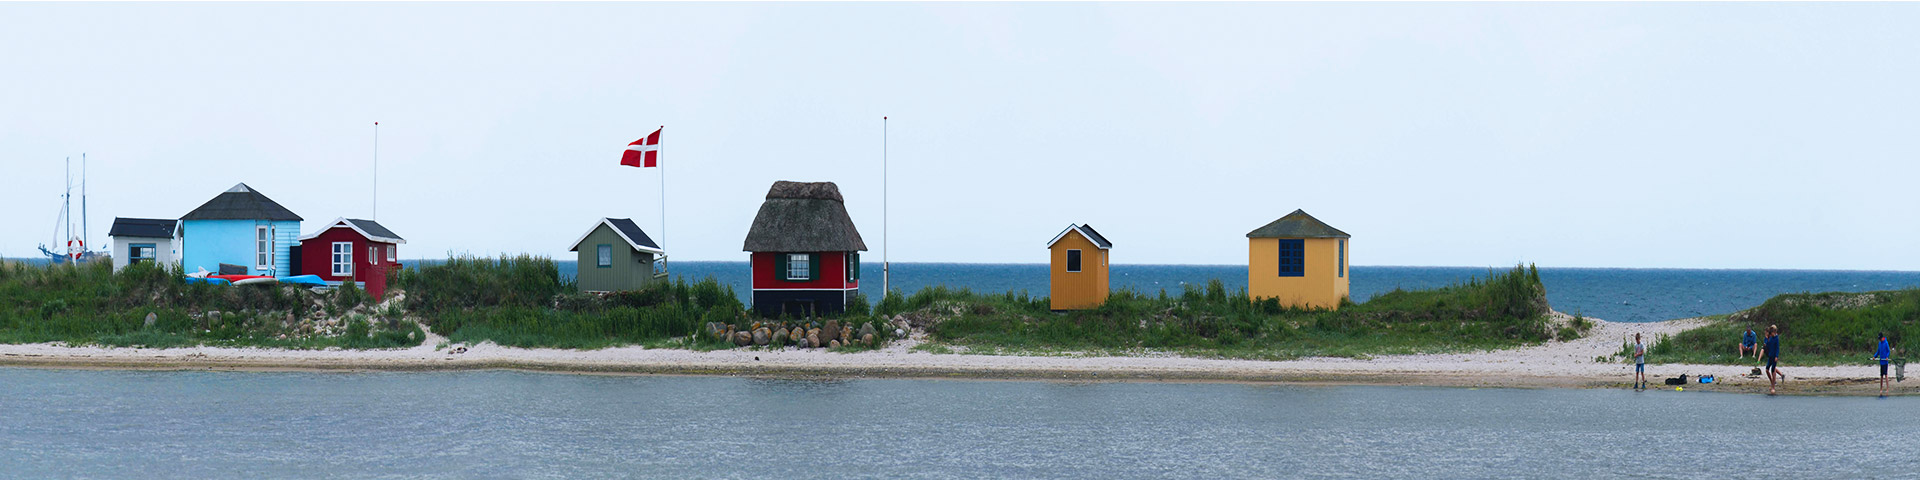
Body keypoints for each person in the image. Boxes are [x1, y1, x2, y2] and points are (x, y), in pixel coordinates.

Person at [1764, 325, 1784, 395]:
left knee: (1773, 370)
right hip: (1770, 356)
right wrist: (1766, 340)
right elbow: (1768, 345)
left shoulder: (1776, 338)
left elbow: (1777, 348)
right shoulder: (1771, 338)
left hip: (1774, 357)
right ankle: (1772, 382)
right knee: (1767, 369)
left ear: (1774, 332)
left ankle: (1773, 387)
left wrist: (1776, 356)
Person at [1876, 332, 1894, 397]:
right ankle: (1881, 389)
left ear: (1882, 338)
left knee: (1886, 375)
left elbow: (1888, 351)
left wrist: (1887, 357)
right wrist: (1875, 356)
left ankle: (1887, 388)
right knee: (1881, 376)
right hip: (1881, 361)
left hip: (1885, 362)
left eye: (1880, 338)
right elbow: (1878, 351)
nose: (1880, 340)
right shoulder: (1879, 343)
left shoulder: (1886, 343)